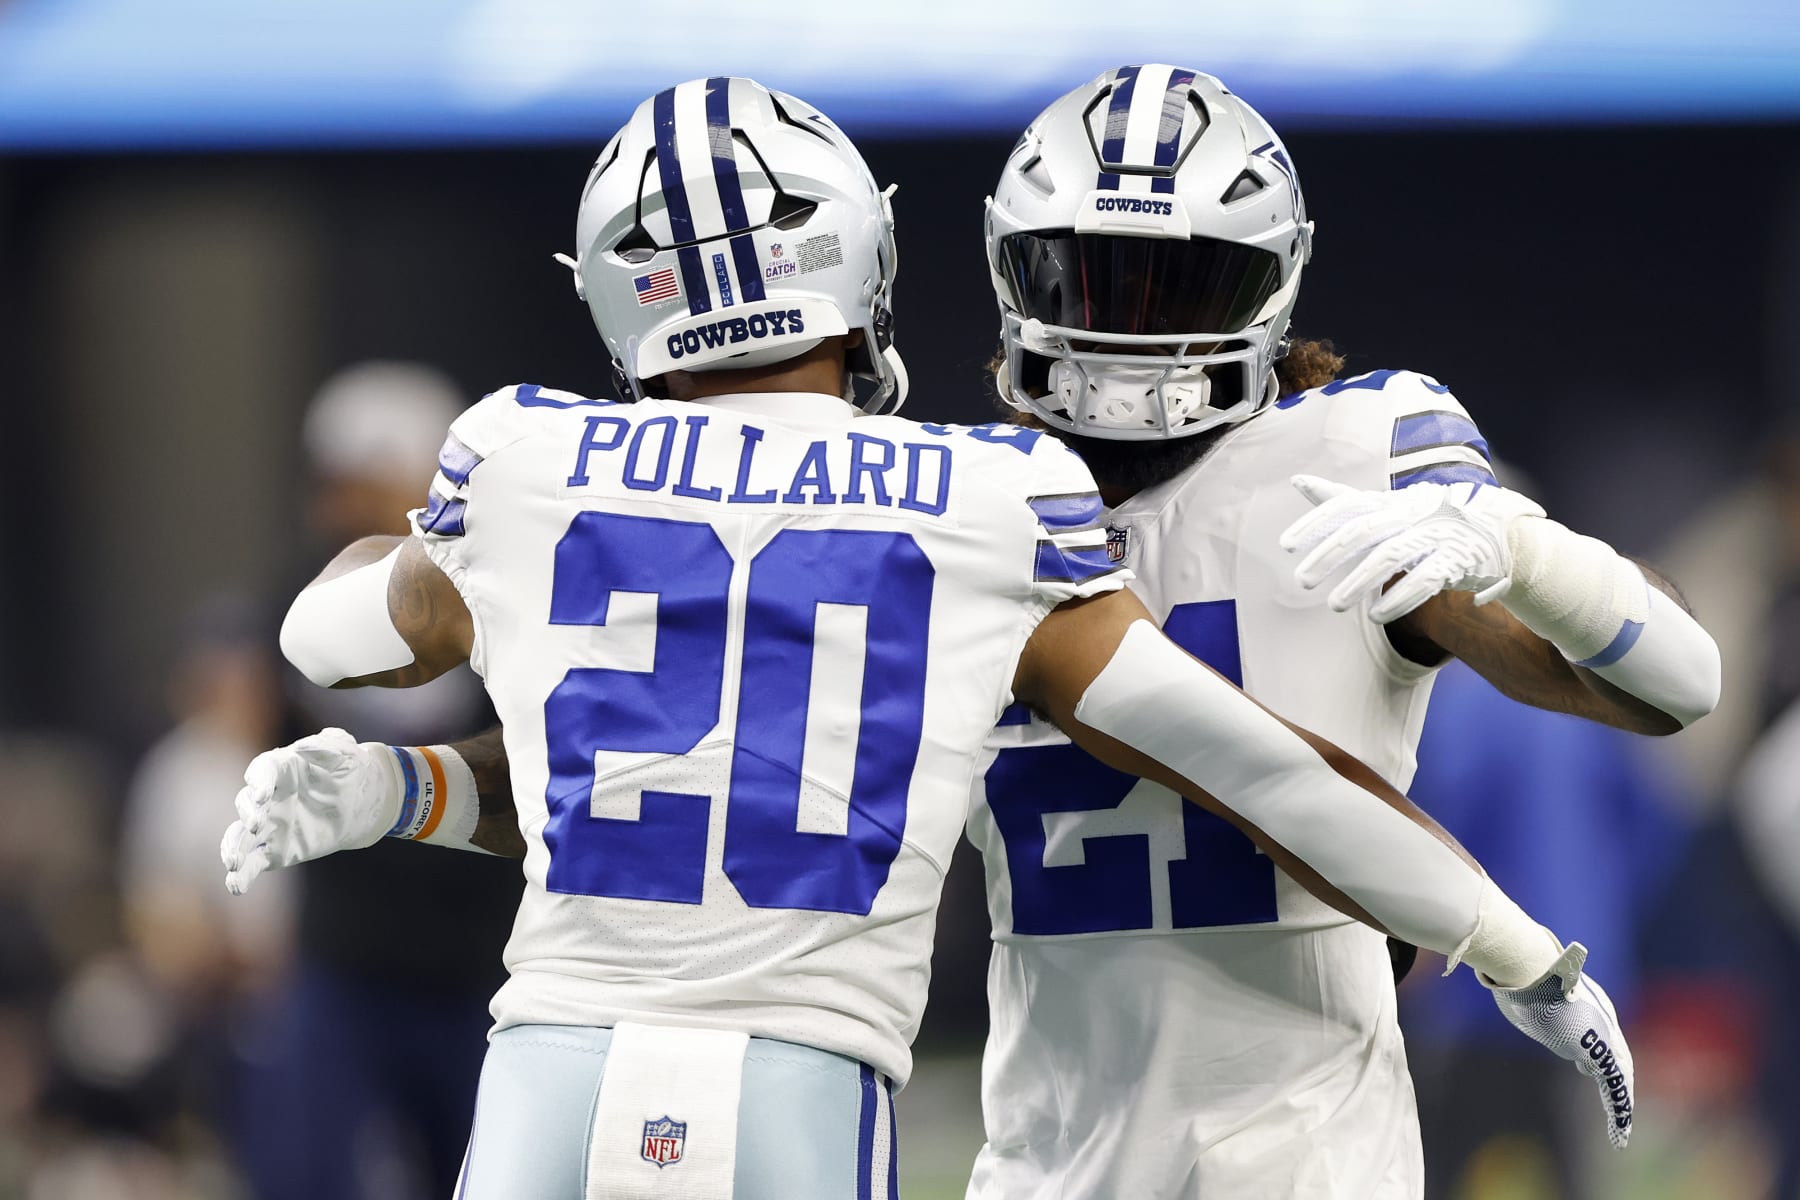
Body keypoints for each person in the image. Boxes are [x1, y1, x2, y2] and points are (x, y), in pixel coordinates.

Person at [222, 77, 1636, 1200]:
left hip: (553, 1067)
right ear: (859, 261)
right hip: (805, 1080)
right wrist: (1523, 955)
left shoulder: (525, 459)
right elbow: (1269, 775)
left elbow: (334, 635)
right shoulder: (975, 498)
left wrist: (412, 689)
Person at [965, 64, 1720, 1198]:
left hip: (1305, 1155)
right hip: (1048, 1150)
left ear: (1266, 288)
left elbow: (1677, 684)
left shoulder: (1351, 461)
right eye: (1089, 279)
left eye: (1177, 288)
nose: (1127, 328)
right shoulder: (970, 499)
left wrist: (1521, 549)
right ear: (1015, 269)